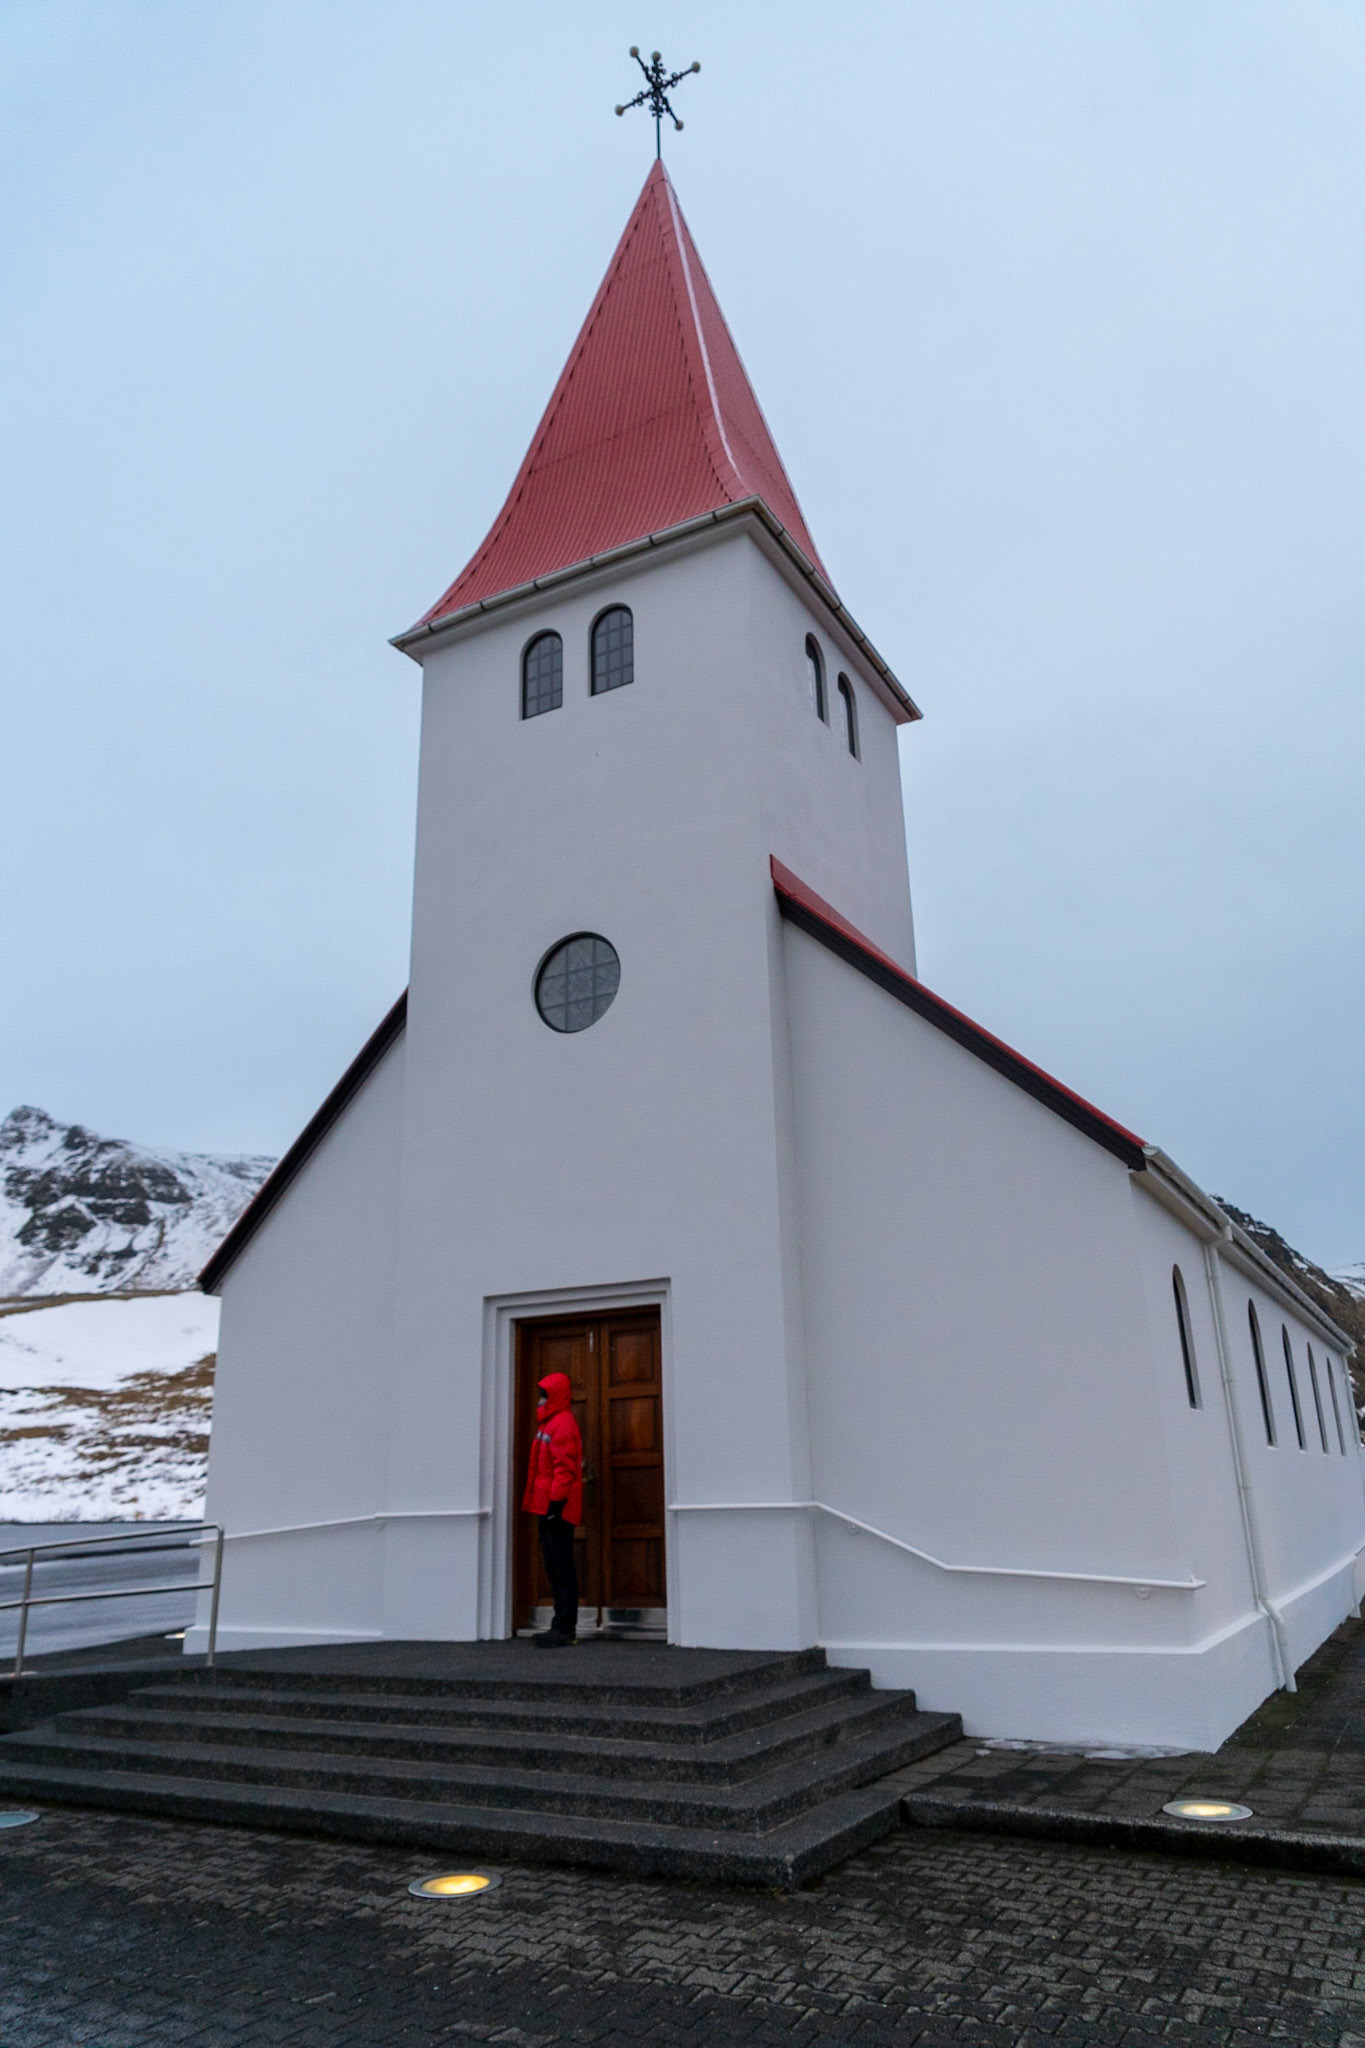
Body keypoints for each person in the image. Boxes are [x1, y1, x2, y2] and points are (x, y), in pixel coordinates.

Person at [521, 1371, 583, 1646]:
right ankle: (559, 1625)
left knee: (561, 1568)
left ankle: (565, 1628)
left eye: (544, 1394)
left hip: (557, 1508)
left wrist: (556, 1506)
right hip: (547, 1507)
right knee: (554, 1568)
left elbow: (564, 1470)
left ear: (554, 1395)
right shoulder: (549, 1423)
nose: (539, 1399)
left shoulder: (561, 1424)